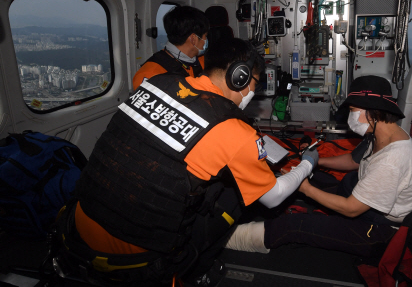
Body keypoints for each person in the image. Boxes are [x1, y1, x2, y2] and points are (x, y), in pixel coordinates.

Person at [60, 38, 320, 286]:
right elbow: (273, 197)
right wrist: (307, 163)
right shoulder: (234, 130)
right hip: (138, 259)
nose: (254, 90)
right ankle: (197, 270)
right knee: (236, 195)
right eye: (255, 83)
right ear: (239, 77)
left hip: (76, 227)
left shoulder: (157, 82)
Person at [225, 75, 412, 259]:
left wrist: (306, 188)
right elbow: (353, 160)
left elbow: (351, 209)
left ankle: (229, 239)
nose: (350, 117)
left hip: (383, 230)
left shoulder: (392, 159)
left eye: (352, 111)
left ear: (371, 112)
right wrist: (315, 161)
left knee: (297, 225)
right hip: (372, 207)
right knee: (322, 179)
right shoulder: (383, 133)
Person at [132, 5, 210, 90]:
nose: (206, 40)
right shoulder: (151, 74)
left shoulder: (204, 62)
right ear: (193, 39)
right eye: (205, 36)